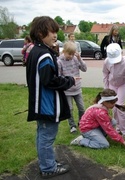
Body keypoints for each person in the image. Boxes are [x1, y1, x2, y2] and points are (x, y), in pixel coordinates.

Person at [26, 16, 78, 179]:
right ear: (41, 34)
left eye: (56, 31)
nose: (55, 35)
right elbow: (50, 81)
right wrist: (69, 80)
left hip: (39, 103)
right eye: (52, 32)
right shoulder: (44, 56)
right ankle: (48, 167)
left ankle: (47, 163)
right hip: (46, 105)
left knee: (42, 134)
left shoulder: (35, 51)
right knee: (47, 136)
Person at [102, 43, 125, 137]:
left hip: (123, 84)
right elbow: (105, 74)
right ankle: (118, 127)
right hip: (112, 85)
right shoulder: (107, 61)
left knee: (120, 107)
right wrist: (106, 89)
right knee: (113, 108)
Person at [57, 41, 87, 133]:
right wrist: (68, 80)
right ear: (64, 51)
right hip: (67, 90)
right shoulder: (59, 62)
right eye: (69, 54)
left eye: (73, 54)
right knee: (69, 109)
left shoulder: (75, 59)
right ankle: (72, 126)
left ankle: (81, 122)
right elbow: (59, 77)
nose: (71, 56)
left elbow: (84, 69)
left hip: (77, 89)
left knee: (82, 108)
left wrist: (79, 59)